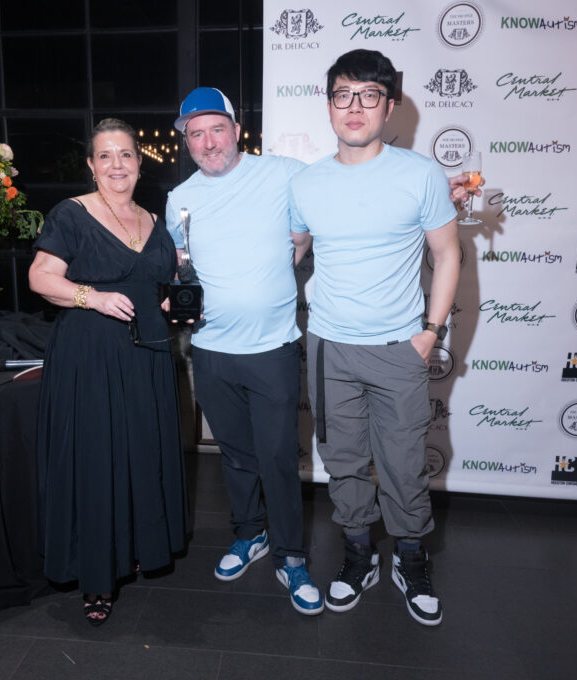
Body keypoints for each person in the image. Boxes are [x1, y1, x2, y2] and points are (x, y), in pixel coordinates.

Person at [288, 49, 461, 626]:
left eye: (369, 95)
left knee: (406, 464)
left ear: (389, 106)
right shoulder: (306, 183)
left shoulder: (421, 174)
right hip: (329, 347)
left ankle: (411, 559)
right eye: (343, 94)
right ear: (329, 105)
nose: (354, 106)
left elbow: (447, 253)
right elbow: (293, 251)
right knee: (342, 461)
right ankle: (358, 555)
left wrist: (430, 332)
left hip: (398, 348)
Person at [164, 88, 324, 615]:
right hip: (210, 350)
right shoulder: (180, 198)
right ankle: (249, 533)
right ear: (186, 141)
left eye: (217, 129)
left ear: (236, 130)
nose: (208, 142)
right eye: (196, 133)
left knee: (277, 456)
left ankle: (292, 555)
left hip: (272, 348)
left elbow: (310, 229)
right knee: (235, 455)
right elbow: (183, 266)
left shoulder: (283, 173)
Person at [29, 118, 188, 627]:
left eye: (125, 155)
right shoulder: (71, 214)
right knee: (98, 459)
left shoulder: (154, 221)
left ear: (140, 163)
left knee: (141, 452)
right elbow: (40, 277)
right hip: (90, 356)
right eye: (105, 155)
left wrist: (172, 302)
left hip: (147, 355)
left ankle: (136, 546)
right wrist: (91, 297)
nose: (116, 164)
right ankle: (96, 576)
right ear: (92, 166)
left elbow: (158, 284)